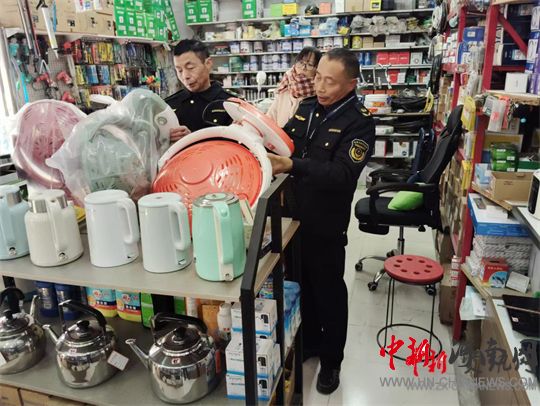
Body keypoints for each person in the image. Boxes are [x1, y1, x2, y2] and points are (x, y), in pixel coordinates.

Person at [268, 48, 375, 395]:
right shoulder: (307, 107)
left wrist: (293, 165)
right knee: (300, 283)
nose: (321, 87)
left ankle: (331, 361)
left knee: (328, 291)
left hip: (325, 221)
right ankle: (310, 341)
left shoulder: (360, 122)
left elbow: (343, 174)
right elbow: (284, 141)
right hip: (292, 215)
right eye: (317, 78)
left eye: (330, 82)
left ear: (351, 84)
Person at [166, 39, 237, 141]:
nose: (185, 76)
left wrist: (191, 139)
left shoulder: (232, 105)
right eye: (179, 70)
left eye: (190, 68)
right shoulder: (169, 106)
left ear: (208, 63)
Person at [266, 47, 322, 127]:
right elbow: (269, 119)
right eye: (301, 63)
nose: (303, 68)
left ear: (317, 69)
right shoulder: (285, 89)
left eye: (309, 65)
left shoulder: (319, 95)